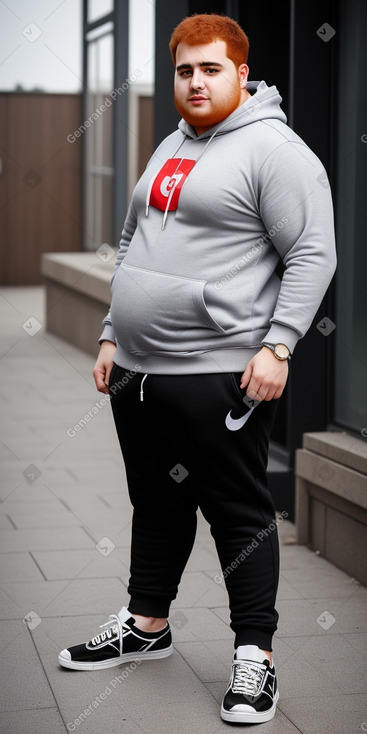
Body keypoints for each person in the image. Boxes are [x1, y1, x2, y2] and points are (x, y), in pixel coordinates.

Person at [58, 13, 337, 725]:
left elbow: (312, 254)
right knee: (155, 502)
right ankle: (147, 626)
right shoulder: (173, 142)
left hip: (218, 372)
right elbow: (133, 238)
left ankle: (257, 659)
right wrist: (112, 333)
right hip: (139, 373)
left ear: (241, 73)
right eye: (184, 69)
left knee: (238, 514)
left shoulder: (274, 151)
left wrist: (277, 347)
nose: (195, 81)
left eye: (210, 68)